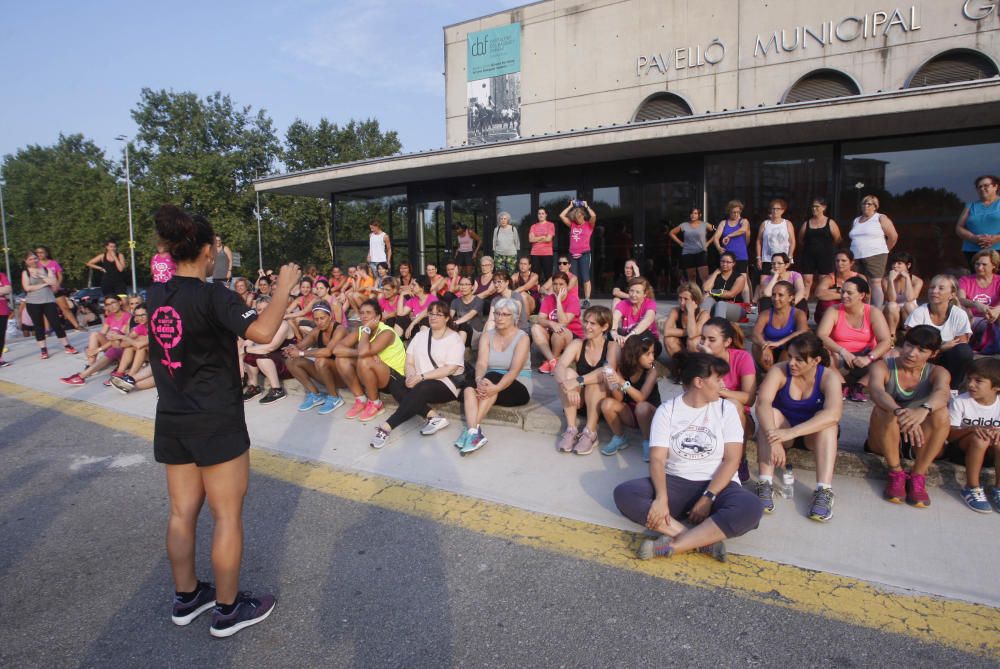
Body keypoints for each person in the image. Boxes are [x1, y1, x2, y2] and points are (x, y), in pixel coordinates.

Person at [145, 204, 298, 638]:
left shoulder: (155, 293)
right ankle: (229, 610)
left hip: (172, 416)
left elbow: (162, 262)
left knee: (180, 513)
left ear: (169, 250)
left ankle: (187, 596)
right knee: (226, 515)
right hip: (215, 419)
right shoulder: (216, 297)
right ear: (210, 251)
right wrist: (284, 288)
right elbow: (265, 333)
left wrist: (173, 247)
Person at [613, 352, 764, 562]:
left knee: (751, 507)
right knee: (625, 494)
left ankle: (672, 547)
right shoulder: (667, 411)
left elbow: (732, 460)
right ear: (699, 382)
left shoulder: (727, 409)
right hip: (676, 481)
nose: (722, 385)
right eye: (717, 379)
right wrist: (661, 498)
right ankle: (701, 540)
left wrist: (708, 497)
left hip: (719, 485)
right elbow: (657, 459)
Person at [753, 332, 844, 522]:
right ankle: (765, 483)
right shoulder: (779, 370)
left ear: (815, 360)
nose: (791, 363)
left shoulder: (829, 377)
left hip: (811, 435)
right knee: (769, 416)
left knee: (829, 423)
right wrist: (775, 439)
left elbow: (834, 414)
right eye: (790, 356)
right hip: (782, 429)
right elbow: (762, 403)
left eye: (799, 359)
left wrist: (789, 433)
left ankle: (824, 491)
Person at [866, 325, 951, 507]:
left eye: (921, 350)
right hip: (884, 438)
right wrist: (900, 412)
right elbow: (877, 392)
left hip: (919, 441)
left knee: (941, 412)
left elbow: (943, 393)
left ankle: (918, 475)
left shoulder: (938, 372)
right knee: (884, 409)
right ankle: (896, 473)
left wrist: (923, 410)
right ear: (901, 345)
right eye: (909, 346)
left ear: (933, 354)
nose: (912, 353)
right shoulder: (882, 366)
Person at [369, 301, 464, 448]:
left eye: (438, 314)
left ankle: (386, 427)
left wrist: (421, 377)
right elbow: (410, 361)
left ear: (446, 318)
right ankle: (433, 416)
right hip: (421, 381)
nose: (433, 317)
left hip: (446, 384)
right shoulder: (421, 335)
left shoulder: (454, 339)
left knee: (421, 387)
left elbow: (450, 369)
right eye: (431, 313)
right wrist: (410, 376)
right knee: (396, 383)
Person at [458, 297, 532, 454]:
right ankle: (473, 431)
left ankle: (470, 430)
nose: (499, 317)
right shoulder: (488, 335)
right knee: (469, 385)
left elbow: (514, 370)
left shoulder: (523, 338)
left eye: (505, 314)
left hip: (517, 386)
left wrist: (495, 387)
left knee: (491, 376)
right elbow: (482, 364)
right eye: (497, 313)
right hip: (490, 383)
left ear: (515, 318)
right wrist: (478, 380)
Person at [697, 317, 757, 477]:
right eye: (703, 338)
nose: (705, 344)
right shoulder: (699, 359)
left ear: (727, 342)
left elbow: (749, 398)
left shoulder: (742, 358)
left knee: (732, 405)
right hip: (707, 414)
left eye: (711, 340)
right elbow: (691, 393)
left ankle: (740, 460)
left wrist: (721, 391)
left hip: (740, 419)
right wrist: (706, 360)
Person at [816, 276, 893, 402]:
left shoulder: (873, 312)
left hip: (866, 356)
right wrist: (843, 351)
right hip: (840, 356)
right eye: (842, 291)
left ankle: (859, 387)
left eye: (849, 293)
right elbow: (821, 335)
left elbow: (886, 340)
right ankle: (842, 386)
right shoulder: (834, 310)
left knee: (891, 356)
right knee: (822, 355)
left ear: (862, 295)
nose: (844, 295)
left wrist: (869, 357)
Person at [554, 306, 618, 455]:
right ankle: (571, 429)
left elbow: (606, 371)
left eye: (592, 324)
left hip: (600, 404)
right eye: (585, 321)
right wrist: (568, 387)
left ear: (605, 326)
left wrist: (577, 381)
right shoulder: (578, 344)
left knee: (595, 383)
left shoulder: (612, 346)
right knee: (567, 372)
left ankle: (590, 432)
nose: (586, 326)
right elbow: (559, 367)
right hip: (576, 401)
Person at [333, 298, 407, 423]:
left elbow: (364, 353)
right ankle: (361, 399)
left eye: (368, 313)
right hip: (373, 375)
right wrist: (359, 353)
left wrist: (366, 332)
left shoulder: (387, 332)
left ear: (378, 316)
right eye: (361, 313)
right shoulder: (361, 330)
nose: (364, 316)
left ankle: (375, 403)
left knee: (365, 359)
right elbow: (337, 350)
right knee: (342, 359)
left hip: (393, 379)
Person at [947, 357, 1000, 513]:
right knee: (980, 439)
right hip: (961, 451)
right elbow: (949, 435)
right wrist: (972, 428)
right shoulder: (960, 401)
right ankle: (972, 488)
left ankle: (998, 489)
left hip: (990, 454)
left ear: (996, 387)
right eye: (969, 379)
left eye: (978, 381)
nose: (970, 384)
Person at [904, 274, 973, 390]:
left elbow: (961, 343)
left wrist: (938, 348)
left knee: (964, 352)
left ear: (952, 294)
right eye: (932, 287)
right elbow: (912, 343)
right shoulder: (919, 313)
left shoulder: (959, 314)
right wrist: (941, 347)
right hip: (924, 357)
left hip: (947, 358)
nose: (934, 291)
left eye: (941, 288)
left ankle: (953, 388)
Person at [600, 335, 662, 456]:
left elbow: (641, 398)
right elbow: (619, 398)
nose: (652, 358)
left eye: (652, 353)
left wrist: (621, 381)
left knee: (641, 407)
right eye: (648, 354)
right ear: (635, 355)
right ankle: (619, 438)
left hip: (651, 415)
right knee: (606, 404)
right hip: (632, 414)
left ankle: (647, 442)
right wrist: (612, 383)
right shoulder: (623, 369)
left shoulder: (652, 371)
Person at [283, 301, 349, 415]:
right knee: (291, 361)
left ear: (330, 316)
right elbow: (301, 346)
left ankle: (334, 398)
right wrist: (292, 348)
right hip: (325, 374)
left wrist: (301, 353)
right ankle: (315, 395)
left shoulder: (340, 330)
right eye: (316, 319)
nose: (319, 322)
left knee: (321, 360)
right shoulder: (317, 331)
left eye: (322, 318)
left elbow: (328, 352)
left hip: (343, 376)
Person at [59, 294, 131, 385]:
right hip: (111, 346)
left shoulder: (128, 316)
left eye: (113, 303)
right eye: (108, 304)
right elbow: (102, 334)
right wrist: (91, 348)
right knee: (94, 334)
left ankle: (118, 366)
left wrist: (98, 349)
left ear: (120, 302)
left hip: (122, 349)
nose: (111, 306)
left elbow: (119, 337)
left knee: (116, 336)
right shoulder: (110, 317)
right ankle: (90, 366)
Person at [23, 251, 78, 359]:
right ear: (26, 262)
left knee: (56, 323)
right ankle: (43, 349)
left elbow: (54, 282)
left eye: (35, 258)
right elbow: (27, 288)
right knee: (39, 326)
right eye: (30, 259)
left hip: (48, 300)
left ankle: (67, 345)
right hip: (33, 303)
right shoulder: (26, 273)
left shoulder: (45, 270)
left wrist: (41, 275)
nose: (33, 261)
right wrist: (44, 284)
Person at [240, 296, 294, 405]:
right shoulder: (261, 326)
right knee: (248, 354)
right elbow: (246, 343)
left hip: (289, 361)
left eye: (266, 309)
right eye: (259, 310)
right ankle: (253, 386)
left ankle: (277, 390)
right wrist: (243, 353)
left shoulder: (282, 324)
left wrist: (245, 349)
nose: (262, 312)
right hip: (274, 360)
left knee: (261, 356)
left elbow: (271, 347)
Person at [849, 195, 898, 308]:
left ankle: (876, 311)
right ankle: (863, 309)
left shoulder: (880, 218)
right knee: (861, 283)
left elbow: (893, 236)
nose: (866, 206)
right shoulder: (856, 220)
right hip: (856, 256)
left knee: (875, 283)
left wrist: (885, 250)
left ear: (875, 206)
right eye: (864, 203)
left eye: (869, 204)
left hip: (875, 255)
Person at [751, 280, 810, 372]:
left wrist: (779, 343)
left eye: (780, 295)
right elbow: (755, 333)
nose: (776, 298)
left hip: (788, 350)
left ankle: (776, 375)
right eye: (774, 294)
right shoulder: (765, 313)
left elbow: (803, 332)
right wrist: (764, 345)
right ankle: (770, 374)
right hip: (768, 350)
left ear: (790, 298)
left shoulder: (798, 313)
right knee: (756, 346)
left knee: (789, 350)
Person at [532, 271, 583, 374]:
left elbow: (563, 322)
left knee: (559, 331)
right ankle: (553, 361)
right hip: (553, 336)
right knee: (535, 328)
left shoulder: (573, 300)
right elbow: (540, 319)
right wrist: (551, 323)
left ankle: (552, 360)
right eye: (555, 284)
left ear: (567, 285)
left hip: (571, 337)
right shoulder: (548, 299)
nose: (557, 287)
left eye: (561, 284)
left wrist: (558, 300)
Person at [796, 199, 842, 300]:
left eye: (817, 206)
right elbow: (800, 239)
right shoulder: (807, 223)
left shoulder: (830, 222)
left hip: (825, 256)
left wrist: (825, 247)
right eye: (813, 206)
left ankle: (822, 307)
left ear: (824, 208)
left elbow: (837, 239)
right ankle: (804, 306)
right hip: (809, 256)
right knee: (807, 281)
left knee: (823, 282)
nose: (814, 208)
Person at [958, 249, 1000, 353]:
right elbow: (960, 299)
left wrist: (997, 310)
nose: (979, 268)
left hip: (994, 318)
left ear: (994, 266)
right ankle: (965, 348)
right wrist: (976, 304)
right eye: (977, 264)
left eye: (984, 264)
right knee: (961, 310)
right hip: (972, 319)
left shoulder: (998, 281)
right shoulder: (965, 280)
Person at [711, 200, 751, 304]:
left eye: (738, 212)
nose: (736, 214)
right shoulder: (723, 223)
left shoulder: (743, 221)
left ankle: (747, 305)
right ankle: (722, 299)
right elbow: (716, 237)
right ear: (729, 211)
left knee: (744, 280)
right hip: (727, 257)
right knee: (726, 278)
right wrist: (719, 248)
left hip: (741, 255)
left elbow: (743, 230)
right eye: (734, 212)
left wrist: (729, 236)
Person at [955, 174, 1000, 268]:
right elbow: (959, 228)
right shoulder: (970, 206)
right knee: (977, 280)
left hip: (998, 249)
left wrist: (996, 238)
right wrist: (973, 238)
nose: (982, 188)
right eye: (979, 187)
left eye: (986, 185)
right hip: (973, 251)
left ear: (996, 186)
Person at [35, 245, 82, 331]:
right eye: (37, 253)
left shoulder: (53, 263)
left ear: (46, 253)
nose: (39, 254)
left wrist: (57, 285)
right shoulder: (36, 265)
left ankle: (76, 325)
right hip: (44, 290)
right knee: (46, 311)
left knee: (64, 307)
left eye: (41, 252)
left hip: (56, 289)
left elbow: (60, 276)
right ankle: (47, 329)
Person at [559, 200, 597, 307]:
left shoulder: (589, 225)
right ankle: (574, 298)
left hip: (584, 254)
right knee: (573, 277)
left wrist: (586, 206)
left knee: (585, 277)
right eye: (575, 217)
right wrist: (570, 206)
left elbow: (594, 215)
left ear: (583, 215)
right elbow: (561, 216)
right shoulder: (572, 225)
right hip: (572, 254)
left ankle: (587, 299)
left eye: (579, 216)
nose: (577, 219)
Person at [814, 249, 866, 325]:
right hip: (829, 317)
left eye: (843, 261)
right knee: (828, 303)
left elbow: (866, 296)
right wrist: (846, 295)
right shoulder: (829, 278)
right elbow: (819, 294)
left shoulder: (859, 277)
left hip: (854, 314)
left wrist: (833, 291)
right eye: (837, 261)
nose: (839, 263)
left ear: (851, 263)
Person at [611, 277, 660, 356]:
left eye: (637, 292)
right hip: (628, 338)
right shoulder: (624, 303)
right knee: (610, 334)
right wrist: (614, 333)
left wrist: (629, 337)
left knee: (645, 334)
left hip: (646, 339)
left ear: (645, 294)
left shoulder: (650, 303)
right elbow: (614, 318)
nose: (633, 295)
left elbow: (647, 320)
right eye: (631, 291)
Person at [662, 281, 709, 359]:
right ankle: (680, 367)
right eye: (680, 298)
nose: (682, 302)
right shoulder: (675, 311)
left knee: (692, 342)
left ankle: (695, 368)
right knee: (668, 339)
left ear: (695, 301)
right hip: (682, 344)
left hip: (698, 348)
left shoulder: (704, 314)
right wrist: (687, 331)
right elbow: (666, 331)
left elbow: (692, 335)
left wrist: (691, 311)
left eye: (686, 299)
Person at [700, 252, 748, 322]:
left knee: (721, 304)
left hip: (734, 308)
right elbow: (705, 288)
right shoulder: (715, 275)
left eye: (728, 262)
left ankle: (718, 328)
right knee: (707, 300)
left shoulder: (739, 277)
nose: (725, 264)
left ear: (733, 264)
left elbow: (731, 294)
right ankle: (701, 323)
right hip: (716, 306)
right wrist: (715, 273)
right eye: (722, 261)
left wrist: (711, 292)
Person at [669, 207, 711, 284]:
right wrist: (680, 243)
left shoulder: (704, 224)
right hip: (688, 253)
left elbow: (717, 231)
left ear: (699, 215)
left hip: (701, 252)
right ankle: (694, 295)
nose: (693, 215)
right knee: (692, 277)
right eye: (691, 213)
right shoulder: (684, 225)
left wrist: (709, 242)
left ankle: (705, 295)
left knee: (704, 277)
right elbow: (671, 233)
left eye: (695, 213)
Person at [755, 199, 795, 278]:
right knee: (764, 282)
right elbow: (759, 241)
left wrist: (790, 257)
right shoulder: (765, 223)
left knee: (781, 280)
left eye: (778, 209)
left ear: (783, 210)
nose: (775, 211)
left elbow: (792, 241)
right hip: (767, 259)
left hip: (783, 260)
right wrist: (759, 258)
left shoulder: (787, 223)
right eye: (773, 208)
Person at [396, 275, 438, 341]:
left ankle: (422, 346)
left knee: (425, 320)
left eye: (414, 285)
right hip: (416, 327)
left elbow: (425, 313)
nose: (411, 287)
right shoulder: (413, 300)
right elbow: (400, 313)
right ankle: (398, 345)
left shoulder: (432, 299)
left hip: (429, 329)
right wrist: (402, 295)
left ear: (422, 287)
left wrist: (411, 325)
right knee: (400, 319)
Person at [451, 276, 484, 347]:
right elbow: (450, 316)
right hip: (460, 332)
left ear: (472, 287)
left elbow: (470, 315)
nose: (463, 287)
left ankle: (459, 354)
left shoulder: (479, 301)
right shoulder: (455, 301)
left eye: (466, 284)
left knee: (463, 325)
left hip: (475, 335)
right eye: (461, 284)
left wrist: (455, 322)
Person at [528, 207, 556, 280]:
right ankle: (535, 291)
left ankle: (548, 291)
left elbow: (548, 239)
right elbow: (531, 239)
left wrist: (536, 239)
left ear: (546, 215)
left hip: (547, 253)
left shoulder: (550, 225)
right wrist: (543, 237)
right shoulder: (533, 226)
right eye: (539, 213)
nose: (541, 215)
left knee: (548, 276)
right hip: (535, 253)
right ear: (537, 215)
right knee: (535, 277)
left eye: (542, 213)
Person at [0, 269, 11, 367]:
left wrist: (4, 289)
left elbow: (8, 289)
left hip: (2, 310)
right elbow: (4, 289)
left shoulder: (1, 275)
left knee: (1, 336)